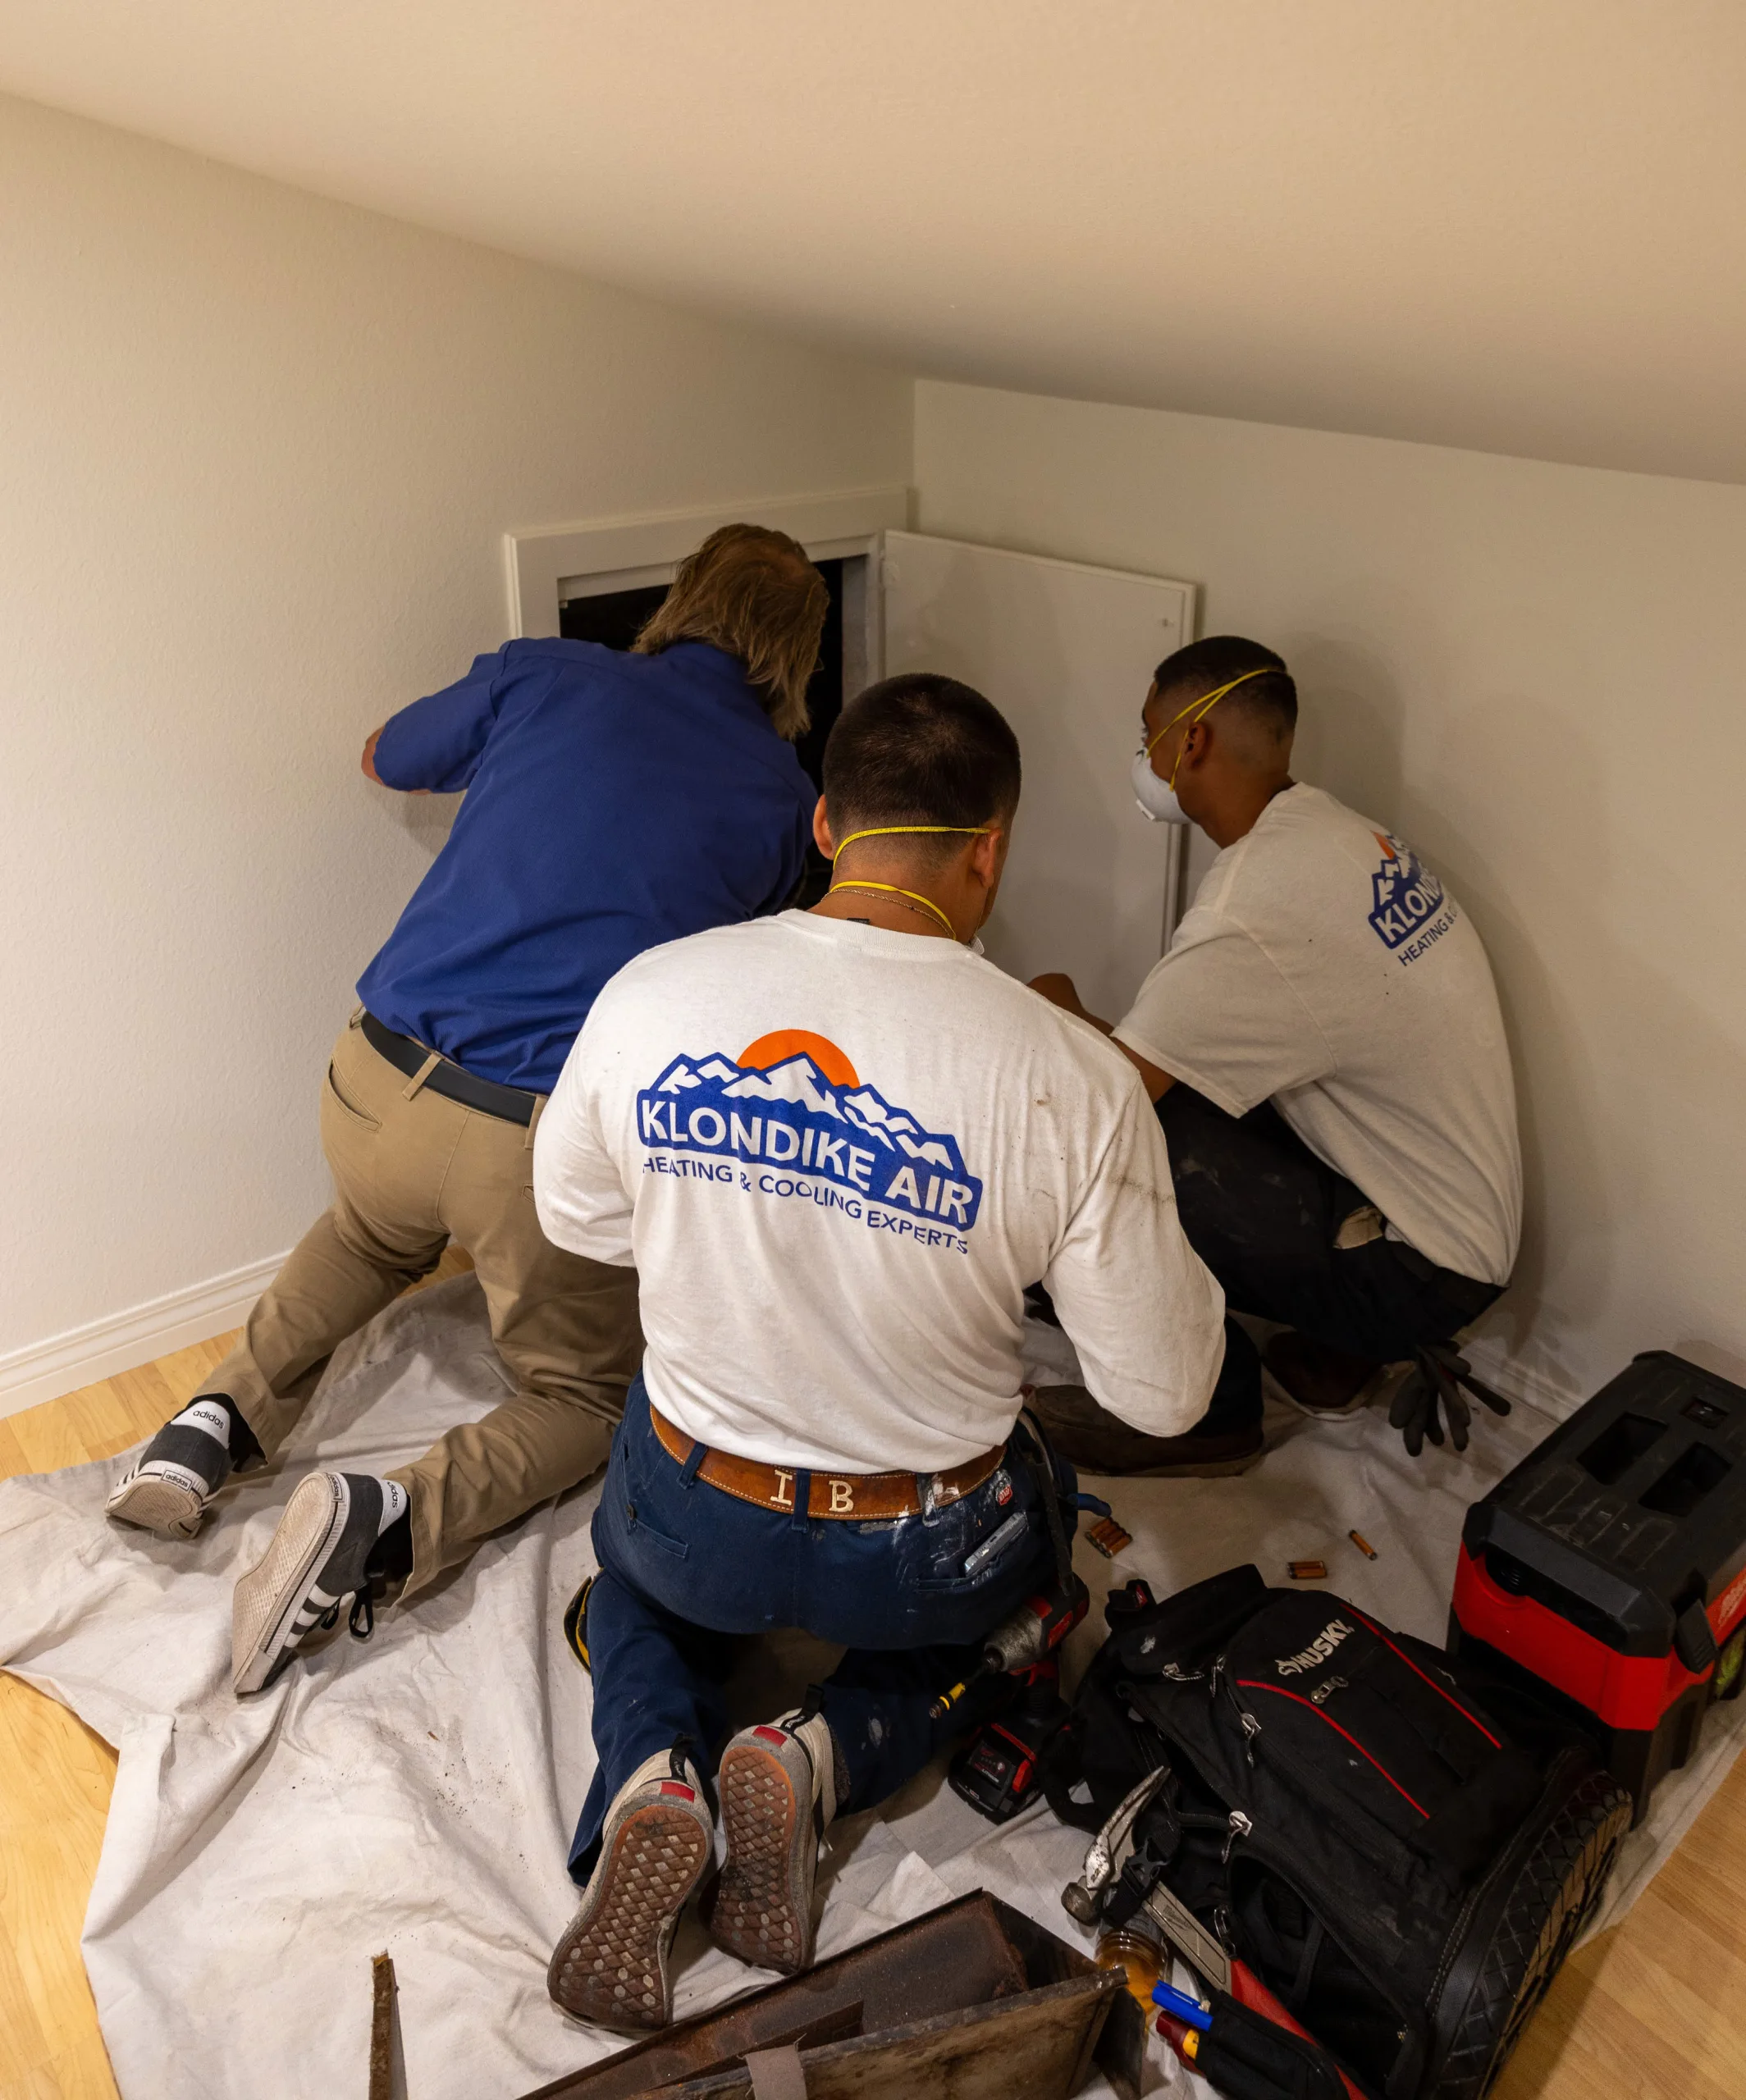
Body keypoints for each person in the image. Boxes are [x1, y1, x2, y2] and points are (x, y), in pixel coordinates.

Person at [530, 672, 1226, 2031]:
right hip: (917, 1551)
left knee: (625, 1580)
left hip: (694, 1506)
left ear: (825, 821)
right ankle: (825, 1749)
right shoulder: (1063, 1075)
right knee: (1045, 1583)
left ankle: (650, 1779)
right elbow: (1162, 1391)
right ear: (990, 850)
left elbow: (576, 1216)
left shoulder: (654, 991)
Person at [106, 524, 829, 1696]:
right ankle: (389, 1522)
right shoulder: (782, 798)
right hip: (524, 1148)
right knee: (585, 1395)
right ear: (794, 655)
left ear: (682, 598)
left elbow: (385, 755)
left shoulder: (544, 671)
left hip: (372, 1082)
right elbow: (734, 984)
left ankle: (205, 1432)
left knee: (363, 1236)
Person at [1030, 635, 1522, 1468]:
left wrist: (1048, 1003)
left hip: (1418, 1270)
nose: (1141, 754)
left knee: (1121, 1151)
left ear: (1189, 742)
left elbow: (1106, 1100)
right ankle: (1340, 1352)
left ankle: (1205, 1415)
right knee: (1196, 1088)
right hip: (1453, 1225)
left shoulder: (1254, 906)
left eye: (1146, 732)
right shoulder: (1335, 832)